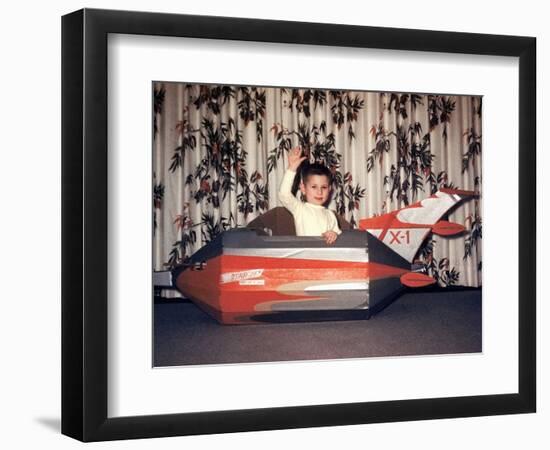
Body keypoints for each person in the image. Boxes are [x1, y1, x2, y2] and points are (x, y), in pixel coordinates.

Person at [278, 147, 341, 244]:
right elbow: (284, 195)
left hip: (326, 256)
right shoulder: (299, 209)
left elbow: (339, 238)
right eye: (314, 187)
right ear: (303, 188)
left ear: (329, 190)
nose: (319, 192)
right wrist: (291, 168)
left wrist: (334, 235)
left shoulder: (330, 215)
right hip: (305, 256)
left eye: (323, 187)